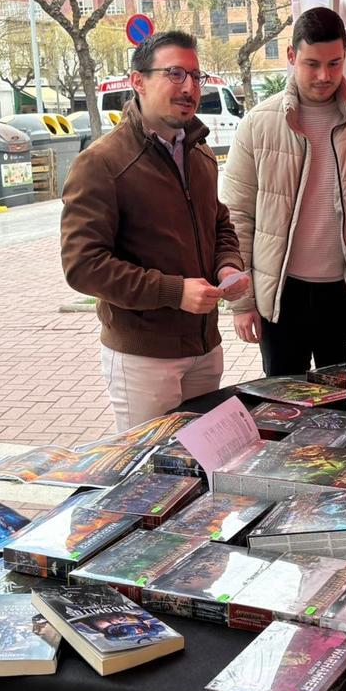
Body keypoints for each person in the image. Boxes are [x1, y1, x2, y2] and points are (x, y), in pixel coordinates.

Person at [59, 30, 246, 431]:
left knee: (203, 468)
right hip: (143, 359)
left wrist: (227, 267)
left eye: (196, 76)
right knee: (147, 478)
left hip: (204, 347)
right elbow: (83, 266)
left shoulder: (199, 152)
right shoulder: (102, 163)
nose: (189, 87)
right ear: (138, 80)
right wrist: (174, 292)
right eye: (175, 73)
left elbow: (219, 224)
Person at [221, 7, 346, 375]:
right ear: (292, 56)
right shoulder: (258, 124)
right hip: (279, 296)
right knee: (283, 412)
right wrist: (243, 302)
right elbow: (236, 219)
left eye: (334, 63)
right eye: (312, 63)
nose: (324, 75)